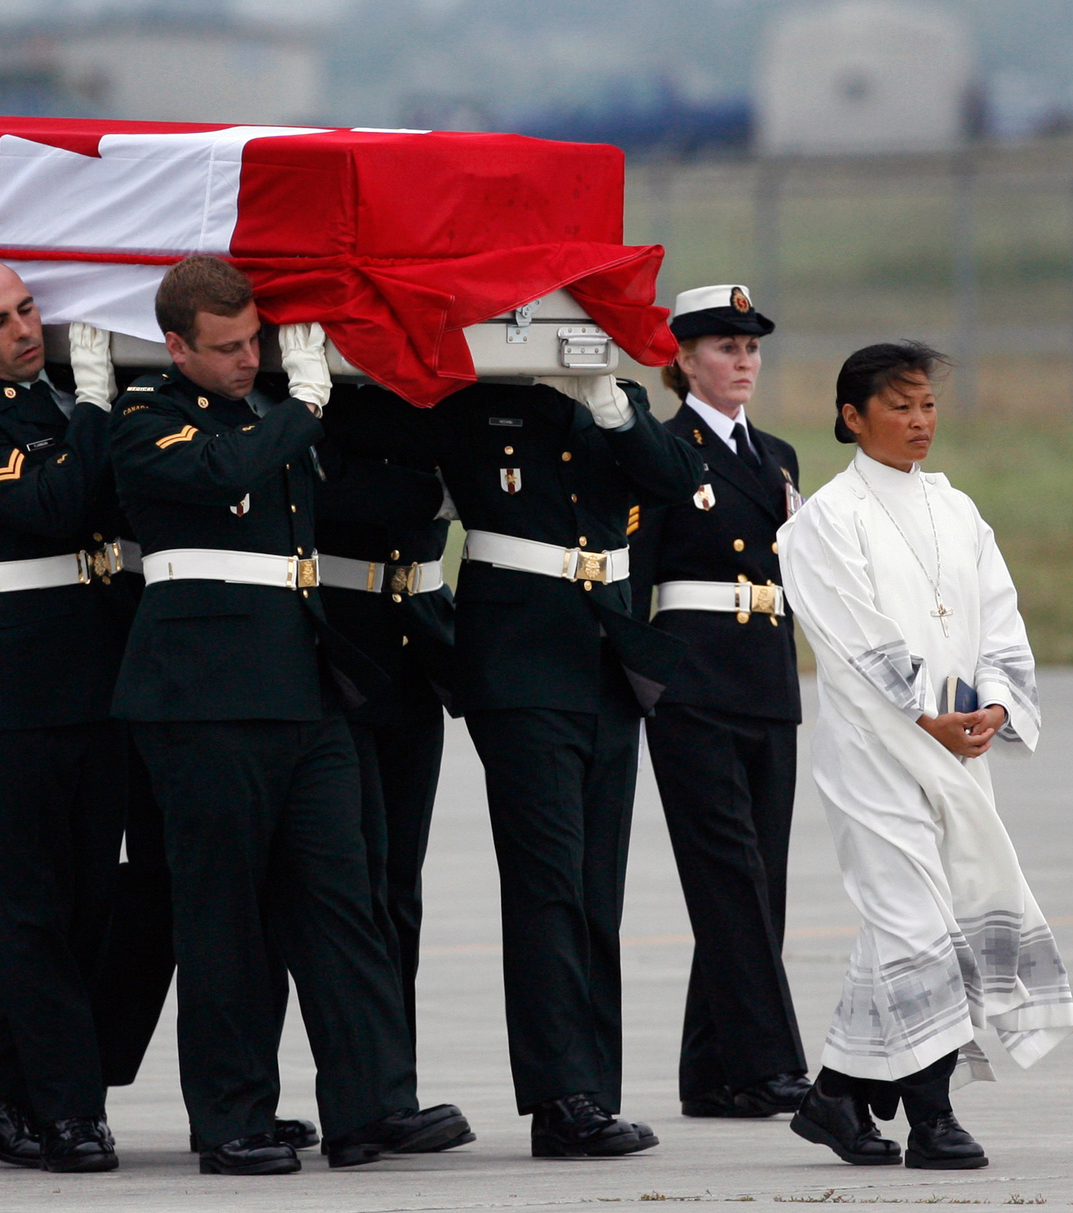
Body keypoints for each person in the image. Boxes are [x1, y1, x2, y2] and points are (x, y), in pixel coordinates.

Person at [110, 254, 470, 1175]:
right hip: (202, 700)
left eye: (253, 342)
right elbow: (224, 468)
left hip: (304, 688)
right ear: (175, 345)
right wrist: (304, 404)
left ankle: (370, 1107)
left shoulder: (271, 416)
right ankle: (230, 1119)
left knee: (341, 902)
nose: (245, 359)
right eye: (225, 347)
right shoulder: (145, 417)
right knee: (224, 913)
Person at [330, 363, 703, 1158]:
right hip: (520, 662)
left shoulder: (613, 403)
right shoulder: (472, 402)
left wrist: (609, 403)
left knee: (594, 885)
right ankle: (558, 1095)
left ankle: (592, 1088)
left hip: (604, 656)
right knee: (547, 884)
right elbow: (363, 430)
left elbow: (677, 475)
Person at [778, 341, 1073, 1170]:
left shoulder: (957, 509)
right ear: (851, 416)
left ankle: (834, 1096)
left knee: (917, 921)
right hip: (875, 754)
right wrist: (920, 715)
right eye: (900, 405)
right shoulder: (823, 521)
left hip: (956, 750)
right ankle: (931, 1117)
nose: (919, 422)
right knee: (915, 924)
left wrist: (994, 702)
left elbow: (998, 616)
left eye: (928, 406)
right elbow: (852, 640)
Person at [0, 259, 123, 1173]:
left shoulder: (49, 408)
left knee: (86, 906)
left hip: (88, 680)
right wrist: (93, 407)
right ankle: (67, 1110)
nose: (23, 329)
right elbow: (52, 503)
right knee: (28, 911)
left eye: (29, 307)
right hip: (10, 691)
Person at [628, 284, 810, 1119]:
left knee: (759, 876)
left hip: (765, 676)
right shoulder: (661, 450)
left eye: (751, 347)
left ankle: (711, 1071)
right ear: (683, 360)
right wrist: (645, 681)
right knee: (727, 872)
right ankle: (770, 1060)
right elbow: (638, 576)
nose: (742, 360)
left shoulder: (775, 456)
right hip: (693, 681)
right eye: (724, 347)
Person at [314, 416, 459, 1045]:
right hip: (342, 653)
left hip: (415, 654)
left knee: (401, 883)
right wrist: (445, 489)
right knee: (359, 881)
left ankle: (394, 1078)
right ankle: (373, 1083)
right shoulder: (321, 395)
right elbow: (331, 487)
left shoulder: (433, 399)